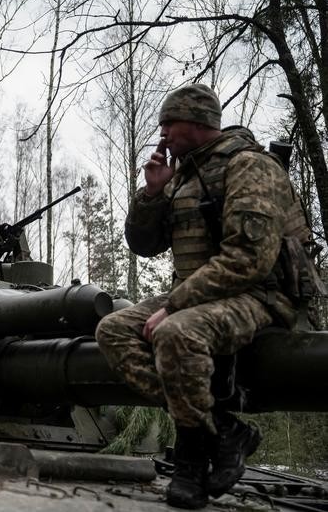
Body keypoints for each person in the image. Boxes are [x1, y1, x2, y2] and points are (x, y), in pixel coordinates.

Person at [94, 84, 313, 509]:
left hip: (259, 295)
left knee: (176, 333)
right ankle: (223, 430)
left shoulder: (250, 166)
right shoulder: (185, 175)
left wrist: (176, 305)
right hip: (200, 295)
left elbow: (249, 260)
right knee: (114, 330)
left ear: (196, 123)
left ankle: (192, 461)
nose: (162, 133)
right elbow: (144, 244)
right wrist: (152, 193)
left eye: (168, 124)